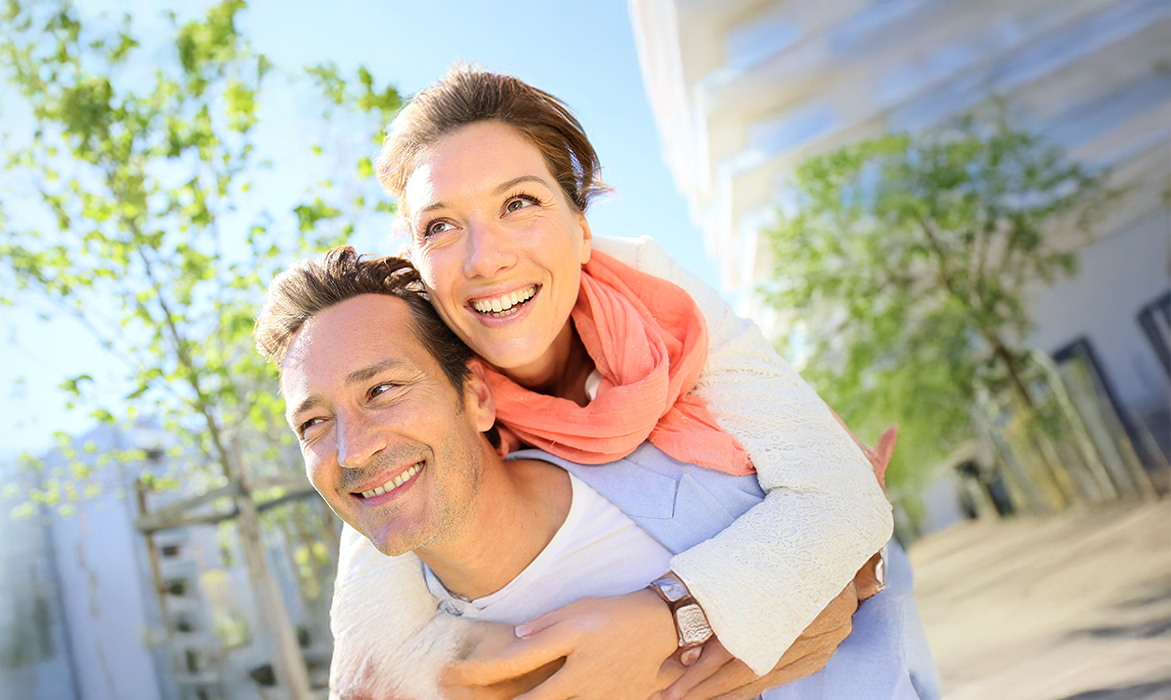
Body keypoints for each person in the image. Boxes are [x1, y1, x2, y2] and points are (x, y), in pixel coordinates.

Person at [313, 65, 913, 697]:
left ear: (583, 230)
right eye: (440, 226)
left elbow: (843, 498)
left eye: (519, 203)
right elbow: (364, 661)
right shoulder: (421, 377)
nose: (484, 257)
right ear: (414, 257)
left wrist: (673, 616)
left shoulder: (655, 296)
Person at [253, 249, 939, 699]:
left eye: (382, 391)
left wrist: (699, 616)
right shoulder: (420, 652)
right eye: (312, 423)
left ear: (478, 395)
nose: (351, 450)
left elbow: (862, 551)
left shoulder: (681, 461)